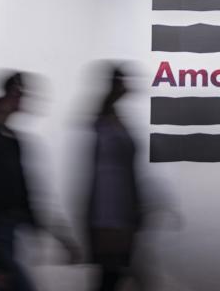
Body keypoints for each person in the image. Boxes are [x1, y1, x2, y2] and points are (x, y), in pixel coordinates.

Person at [0, 72, 78, 291]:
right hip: (0, 230)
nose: (23, 100)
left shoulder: (10, 141)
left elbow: (22, 193)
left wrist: (57, 234)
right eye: (20, 95)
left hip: (8, 228)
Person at [85, 65, 145, 291]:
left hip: (121, 209)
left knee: (116, 272)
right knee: (113, 272)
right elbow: (103, 176)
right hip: (110, 211)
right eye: (122, 81)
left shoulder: (113, 122)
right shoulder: (104, 125)